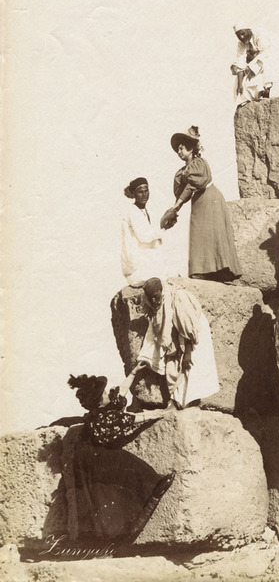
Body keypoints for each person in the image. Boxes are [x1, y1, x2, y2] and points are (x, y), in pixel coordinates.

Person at [65, 368, 174, 548]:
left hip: (93, 453)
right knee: (124, 474)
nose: (109, 393)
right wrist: (160, 414)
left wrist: (134, 372)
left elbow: (120, 393)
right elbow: (131, 418)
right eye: (105, 393)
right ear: (100, 401)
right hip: (91, 458)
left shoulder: (104, 408)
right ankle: (151, 490)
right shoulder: (103, 418)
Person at [160, 126, 242, 281]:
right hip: (199, 200)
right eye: (177, 149)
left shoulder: (199, 164)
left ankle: (220, 269)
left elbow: (192, 186)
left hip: (210, 199)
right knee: (199, 233)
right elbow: (183, 190)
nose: (179, 151)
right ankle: (203, 269)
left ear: (191, 148)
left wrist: (177, 205)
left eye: (182, 148)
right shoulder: (184, 171)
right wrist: (175, 208)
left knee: (212, 233)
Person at [136, 277, 220, 409]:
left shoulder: (178, 298)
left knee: (190, 368)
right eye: (150, 297)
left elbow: (188, 326)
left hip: (193, 334)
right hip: (177, 337)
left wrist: (188, 352)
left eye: (155, 296)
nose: (153, 300)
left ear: (161, 290)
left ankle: (189, 403)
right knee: (173, 366)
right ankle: (177, 402)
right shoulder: (154, 303)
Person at [120, 176, 167, 286]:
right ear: (134, 194)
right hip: (138, 264)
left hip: (147, 258)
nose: (144, 195)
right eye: (140, 192)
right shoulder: (132, 211)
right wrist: (163, 226)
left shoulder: (144, 210)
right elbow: (144, 237)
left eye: (146, 191)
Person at [230, 27, 273, 108]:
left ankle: (265, 94)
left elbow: (265, 53)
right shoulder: (241, 43)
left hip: (267, 60)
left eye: (243, 34)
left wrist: (252, 66)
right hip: (253, 63)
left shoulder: (259, 35)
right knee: (242, 80)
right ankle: (246, 102)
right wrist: (240, 85)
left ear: (248, 30)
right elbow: (240, 61)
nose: (241, 37)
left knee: (265, 70)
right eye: (239, 36)